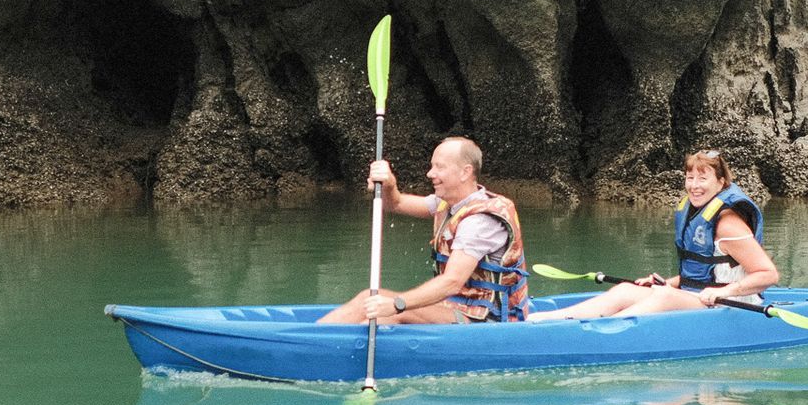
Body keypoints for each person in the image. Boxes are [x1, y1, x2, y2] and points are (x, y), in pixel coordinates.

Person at [524, 149, 778, 321]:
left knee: (663, 296)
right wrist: (669, 282)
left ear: (721, 183)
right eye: (690, 177)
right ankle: (551, 319)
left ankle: (602, 330)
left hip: (731, 303)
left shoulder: (728, 223)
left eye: (703, 178)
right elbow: (704, 270)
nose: (694, 185)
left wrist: (724, 292)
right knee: (627, 289)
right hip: (695, 296)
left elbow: (768, 274)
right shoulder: (694, 212)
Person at [319, 136, 531, 324]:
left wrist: (397, 304)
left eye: (439, 167)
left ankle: (319, 345)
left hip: (486, 319)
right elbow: (396, 203)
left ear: (465, 172)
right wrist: (389, 184)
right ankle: (317, 337)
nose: (430, 173)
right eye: (432, 166)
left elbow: (451, 282)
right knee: (370, 303)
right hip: (455, 308)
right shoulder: (447, 204)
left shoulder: (480, 221)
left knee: (385, 313)